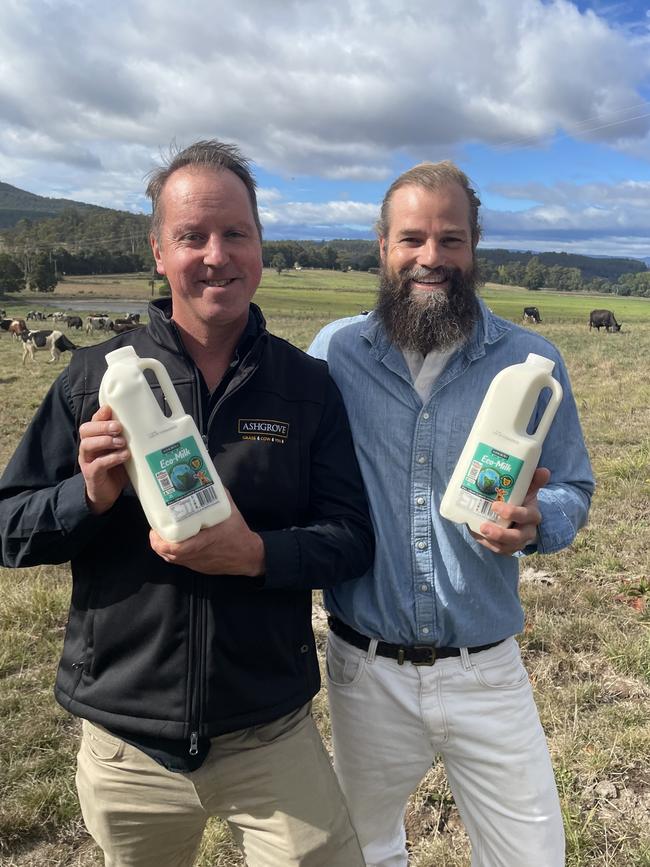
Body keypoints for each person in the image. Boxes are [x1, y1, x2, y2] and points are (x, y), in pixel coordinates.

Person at [0, 140, 373, 867]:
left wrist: (256, 554)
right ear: (158, 251)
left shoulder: (306, 387)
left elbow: (354, 538)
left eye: (236, 232)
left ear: (261, 243)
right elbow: (8, 528)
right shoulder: (89, 382)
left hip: (271, 733)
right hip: (126, 742)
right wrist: (90, 495)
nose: (215, 254)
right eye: (191, 236)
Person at [308, 160, 594, 867]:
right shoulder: (336, 353)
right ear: (383, 247)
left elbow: (575, 487)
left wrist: (539, 519)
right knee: (365, 849)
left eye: (451, 239)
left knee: (533, 854)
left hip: (487, 667)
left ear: (475, 248)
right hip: (364, 667)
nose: (430, 257)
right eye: (412, 239)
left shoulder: (533, 360)